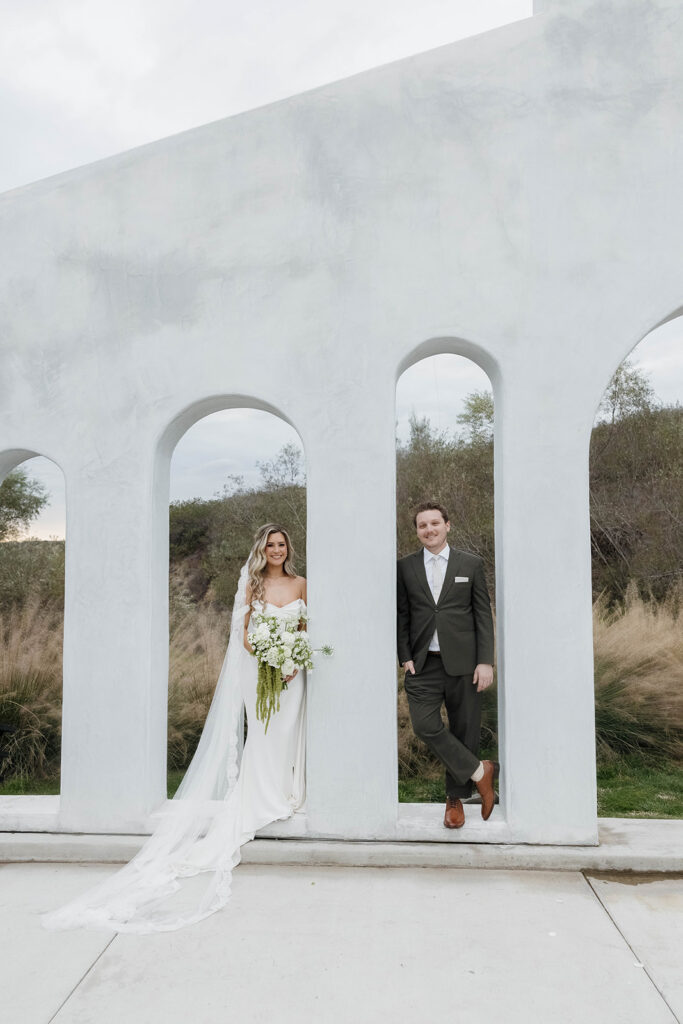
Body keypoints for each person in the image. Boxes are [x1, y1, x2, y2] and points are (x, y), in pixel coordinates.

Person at [42, 524, 307, 933]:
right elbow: (246, 638)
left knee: (289, 731)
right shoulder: (252, 587)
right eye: (270, 545)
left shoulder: (302, 584)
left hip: (293, 675)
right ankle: (263, 799)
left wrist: (294, 661)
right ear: (261, 549)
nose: (276, 550)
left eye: (281, 544)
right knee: (265, 733)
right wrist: (272, 659)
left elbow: (305, 629)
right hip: (263, 671)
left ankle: (287, 792)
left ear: (289, 548)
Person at [397, 501, 497, 829]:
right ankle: (481, 771)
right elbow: (402, 614)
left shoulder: (471, 563)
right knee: (426, 726)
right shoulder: (406, 567)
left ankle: (455, 800)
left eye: (435, 523)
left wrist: (485, 661)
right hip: (423, 665)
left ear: (447, 525)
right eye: (422, 525)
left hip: (465, 664)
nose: (429, 530)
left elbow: (482, 614)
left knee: (464, 730)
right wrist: (405, 654)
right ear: (417, 531)